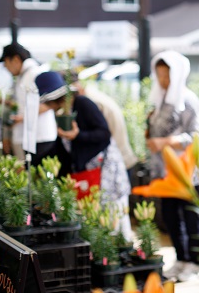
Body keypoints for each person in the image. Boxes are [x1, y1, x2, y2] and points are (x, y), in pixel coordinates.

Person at [34, 71, 132, 240]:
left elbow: (104, 134)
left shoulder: (83, 104)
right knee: (96, 219)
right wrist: (32, 163)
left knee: (113, 217)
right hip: (89, 175)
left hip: (106, 172)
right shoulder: (62, 114)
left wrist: (78, 136)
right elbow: (59, 148)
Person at [146, 50, 199, 282]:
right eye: (160, 75)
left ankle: (195, 262)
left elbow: (195, 136)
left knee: (191, 217)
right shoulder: (160, 99)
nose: (163, 81)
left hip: (186, 171)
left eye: (167, 75)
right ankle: (181, 259)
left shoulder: (188, 100)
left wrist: (164, 141)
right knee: (171, 217)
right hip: (165, 171)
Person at [0, 43, 57, 166]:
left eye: (5, 62)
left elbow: (52, 103)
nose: (5, 66)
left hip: (40, 138)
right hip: (32, 138)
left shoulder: (35, 73)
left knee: (36, 175)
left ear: (16, 59)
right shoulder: (24, 75)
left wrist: (23, 117)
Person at [73, 75, 139, 171]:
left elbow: (103, 133)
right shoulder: (92, 95)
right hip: (121, 157)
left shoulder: (90, 102)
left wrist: (78, 135)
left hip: (118, 161)